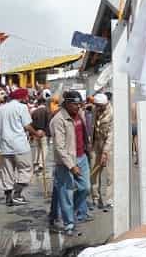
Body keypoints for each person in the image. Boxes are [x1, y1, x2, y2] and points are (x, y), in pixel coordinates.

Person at [50, 91, 92, 234]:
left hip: (82, 156)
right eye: (75, 104)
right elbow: (59, 147)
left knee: (85, 188)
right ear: (67, 104)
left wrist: (88, 145)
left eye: (79, 104)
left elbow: (84, 132)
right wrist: (71, 165)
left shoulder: (79, 113)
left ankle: (67, 212)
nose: (78, 106)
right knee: (65, 193)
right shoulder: (59, 120)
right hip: (65, 161)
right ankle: (69, 224)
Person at [0, 88, 42, 206]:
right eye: (26, 96)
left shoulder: (1, 109)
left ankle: (8, 197)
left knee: (7, 172)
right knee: (26, 169)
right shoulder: (21, 108)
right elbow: (27, 125)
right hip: (19, 144)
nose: (27, 98)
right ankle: (17, 194)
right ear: (22, 97)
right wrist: (36, 134)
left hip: (5, 145)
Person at [89, 93, 113, 209]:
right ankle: (95, 198)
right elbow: (92, 127)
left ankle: (109, 199)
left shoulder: (111, 113)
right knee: (94, 172)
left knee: (109, 174)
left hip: (108, 145)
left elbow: (111, 135)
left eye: (99, 106)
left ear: (104, 104)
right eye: (96, 105)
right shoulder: (95, 109)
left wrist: (105, 152)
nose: (97, 108)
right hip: (95, 144)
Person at [30, 98, 51, 173]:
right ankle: (41, 163)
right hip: (43, 132)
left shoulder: (34, 111)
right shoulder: (47, 111)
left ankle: (36, 161)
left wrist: (33, 133)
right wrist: (47, 132)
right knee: (44, 148)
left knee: (37, 148)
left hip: (36, 132)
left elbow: (31, 123)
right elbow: (49, 123)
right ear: (44, 103)